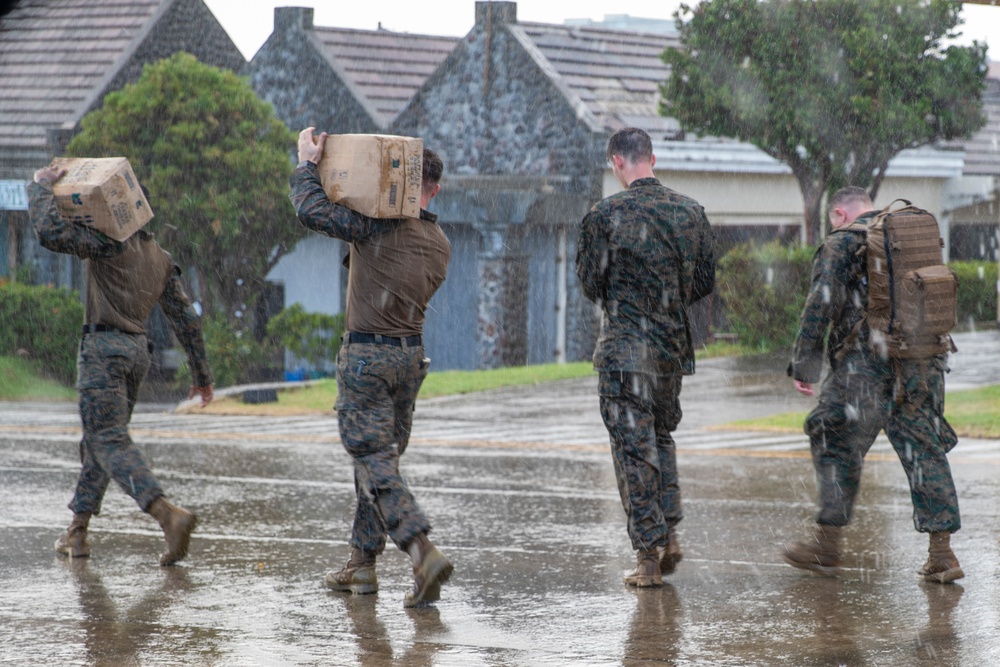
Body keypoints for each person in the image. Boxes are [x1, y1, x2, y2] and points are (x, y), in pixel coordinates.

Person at [289, 127, 453, 607]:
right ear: (434, 188)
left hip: (367, 357)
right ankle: (361, 564)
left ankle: (421, 548)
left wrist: (307, 164)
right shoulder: (439, 241)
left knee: (373, 460)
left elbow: (310, 210)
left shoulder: (375, 225)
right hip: (409, 357)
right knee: (379, 461)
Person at [29, 164, 214, 567]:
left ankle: (166, 513)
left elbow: (49, 232)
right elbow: (186, 320)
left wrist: (40, 187)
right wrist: (202, 376)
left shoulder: (108, 241)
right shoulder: (160, 258)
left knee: (108, 439)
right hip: (137, 353)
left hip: (103, 349)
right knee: (101, 441)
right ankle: (77, 531)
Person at [784, 186, 963, 583]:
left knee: (830, 431)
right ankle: (943, 553)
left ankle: (827, 543)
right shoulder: (906, 236)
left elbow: (820, 302)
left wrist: (805, 364)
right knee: (923, 448)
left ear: (838, 214)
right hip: (921, 357)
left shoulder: (843, 242)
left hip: (866, 363)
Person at [576, 127, 716, 587]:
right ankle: (670, 533)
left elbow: (591, 285)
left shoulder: (604, 214)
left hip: (623, 354)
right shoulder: (690, 211)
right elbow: (703, 283)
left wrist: (626, 299)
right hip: (671, 352)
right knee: (661, 439)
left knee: (633, 451)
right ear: (651, 158)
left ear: (617, 161)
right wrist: (666, 301)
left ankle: (648, 559)